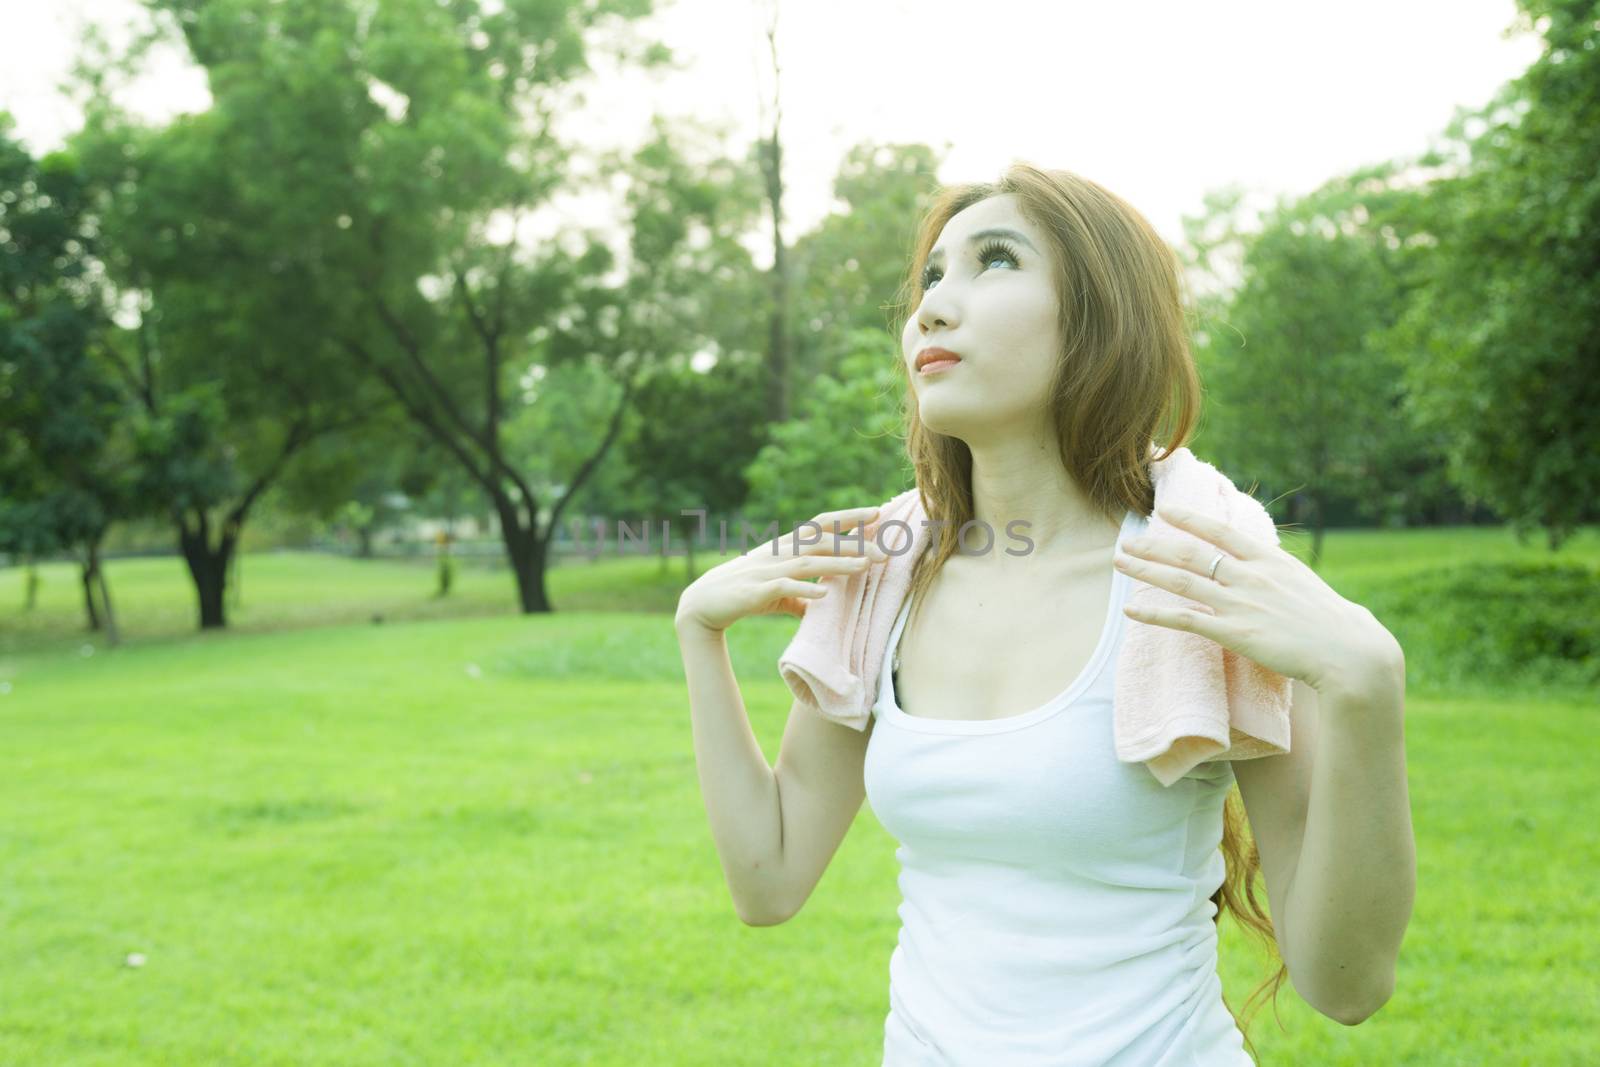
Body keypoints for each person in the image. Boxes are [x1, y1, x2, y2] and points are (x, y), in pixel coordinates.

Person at [675, 162, 1413, 1065]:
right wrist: (697, 631)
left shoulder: (1198, 574)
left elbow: (1346, 984)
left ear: (1099, 320)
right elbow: (769, 877)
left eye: (995, 262)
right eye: (932, 278)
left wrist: (1367, 688)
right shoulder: (886, 576)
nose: (933, 309)